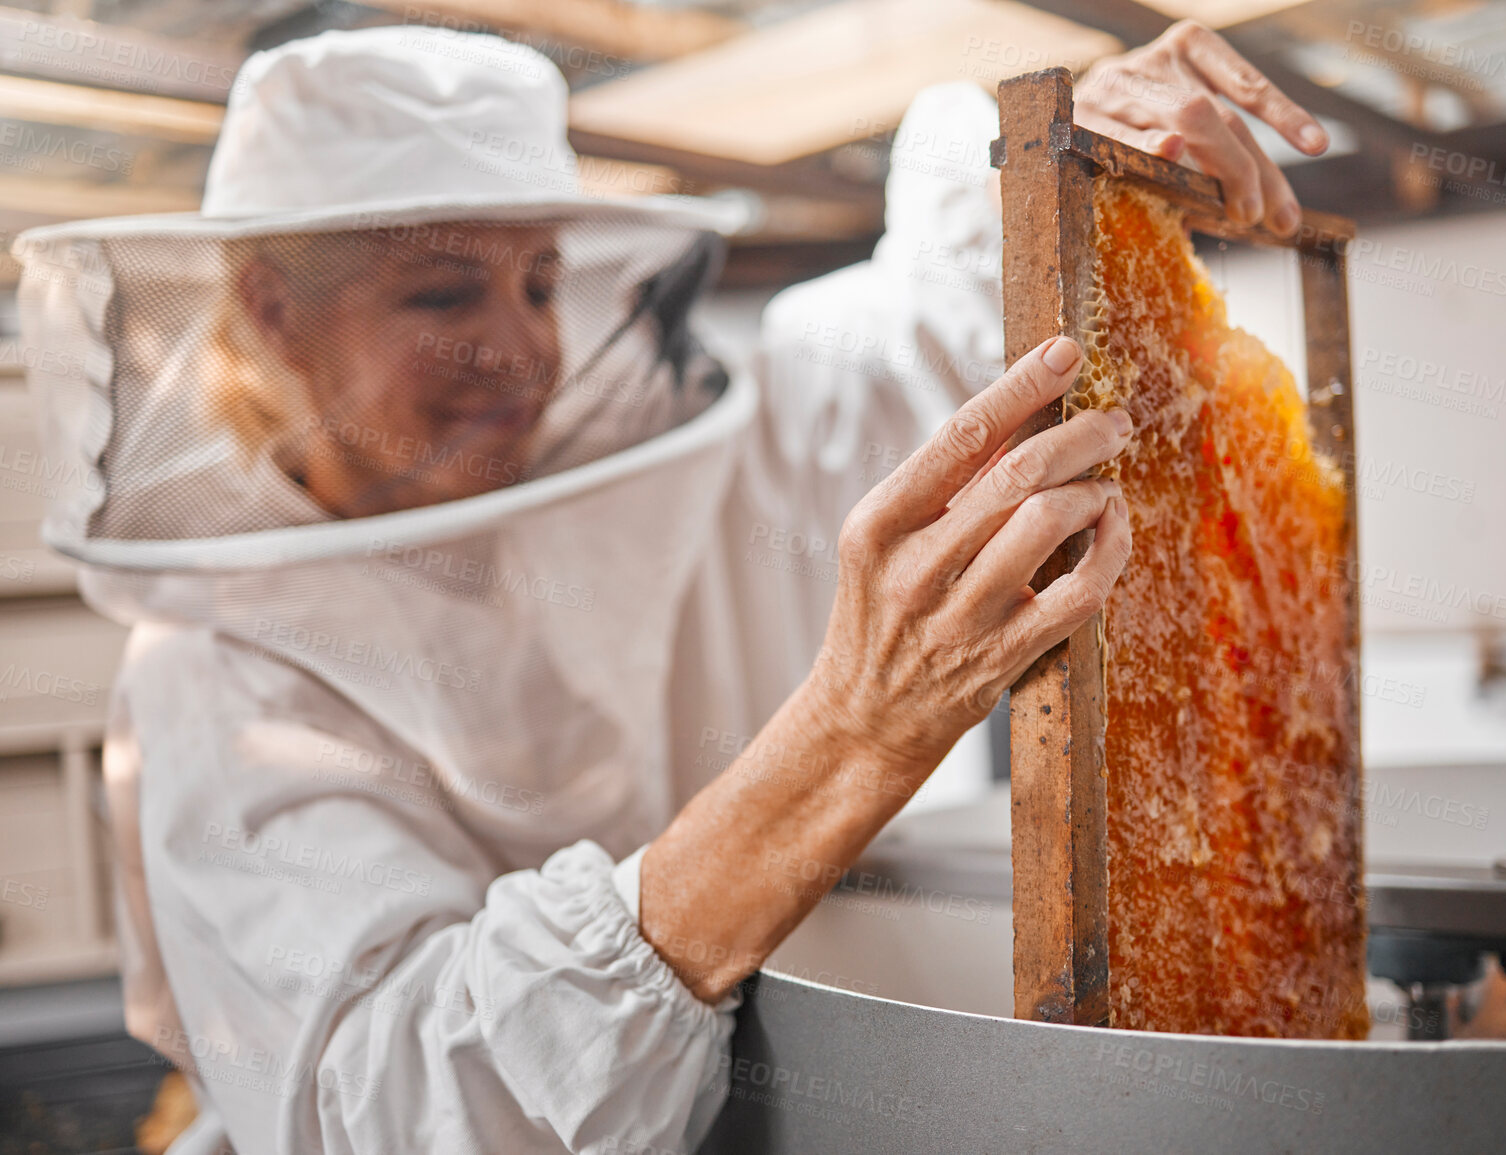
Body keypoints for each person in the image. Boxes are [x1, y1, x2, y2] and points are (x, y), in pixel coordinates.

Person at [12, 20, 1326, 1155]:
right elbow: (397, 1108)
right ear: (273, 309)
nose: (522, 347)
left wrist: (1071, 138)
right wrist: (852, 733)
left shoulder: (659, 472)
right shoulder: (216, 677)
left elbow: (924, 326)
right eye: (441, 288)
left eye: (538, 280)